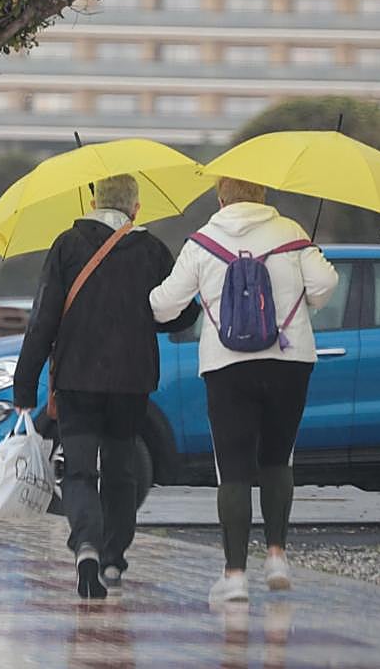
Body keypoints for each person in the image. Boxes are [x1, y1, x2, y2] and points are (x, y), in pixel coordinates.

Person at [150, 177, 338, 604]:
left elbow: (165, 304)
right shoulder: (292, 232)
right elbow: (325, 287)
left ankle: (234, 576)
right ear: (263, 197)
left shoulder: (202, 241)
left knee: (232, 468)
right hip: (290, 361)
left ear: (221, 199)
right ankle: (276, 557)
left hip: (226, 365)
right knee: (277, 457)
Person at [13, 174, 200, 599]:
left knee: (79, 471)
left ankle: (87, 548)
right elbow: (182, 315)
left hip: (77, 380)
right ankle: (114, 558)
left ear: (93, 200)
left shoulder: (67, 245)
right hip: (132, 381)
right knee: (121, 470)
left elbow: (43, 319)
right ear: (136, 208)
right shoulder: (152, 251)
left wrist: (24, 387)